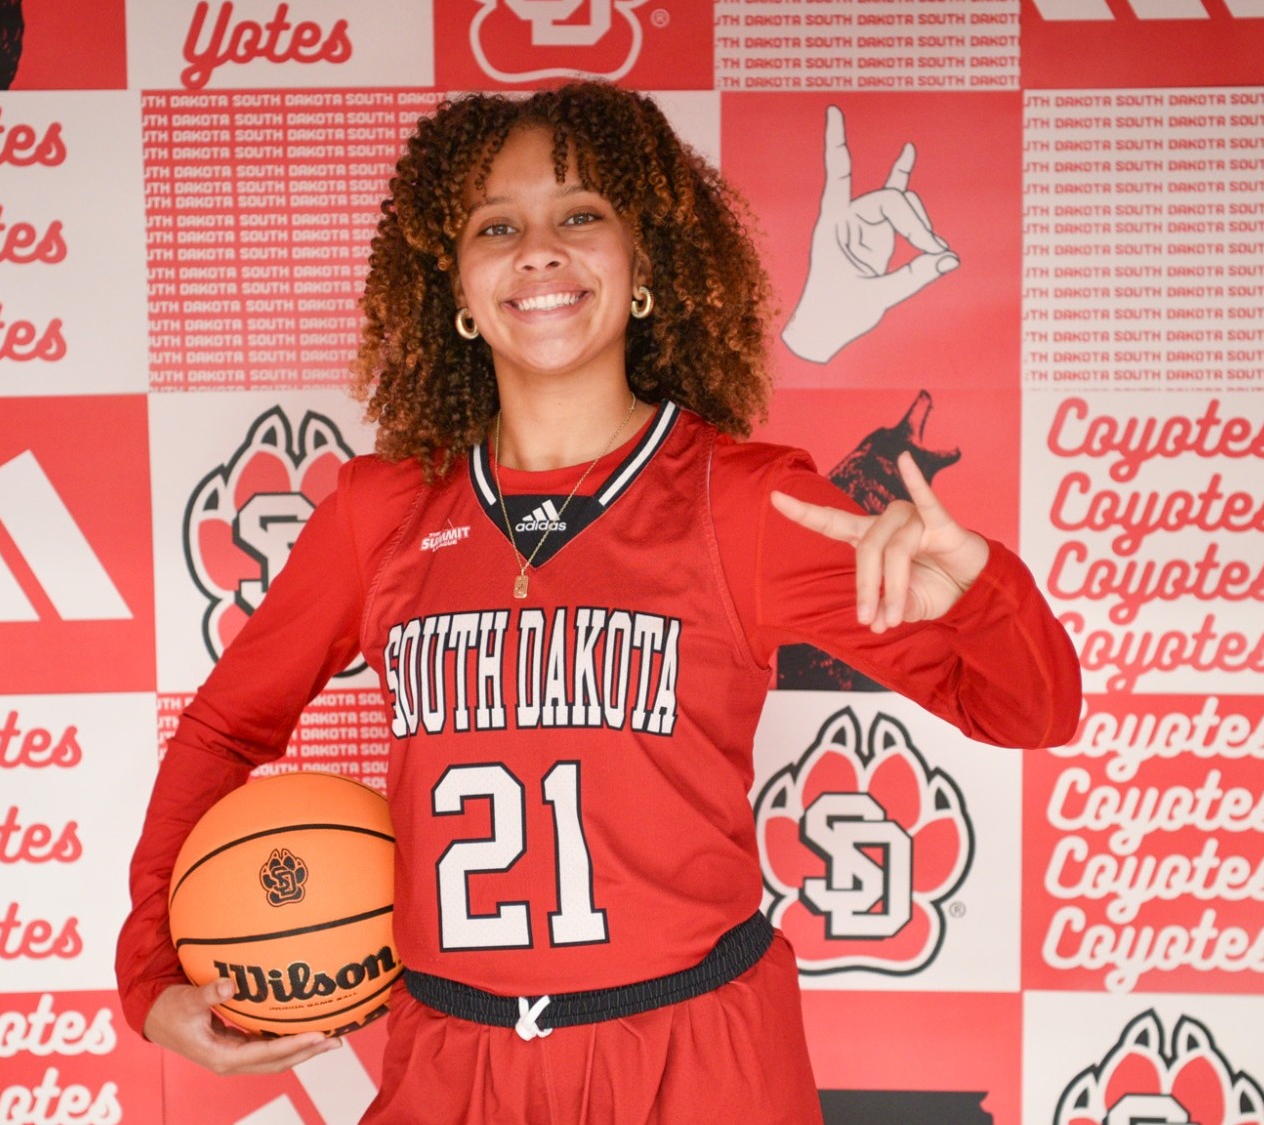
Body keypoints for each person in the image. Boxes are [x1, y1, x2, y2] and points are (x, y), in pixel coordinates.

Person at [118, 81, 1081, 1124]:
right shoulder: (378, 511)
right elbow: (223, 728)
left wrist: (982, 593)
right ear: (453, 284)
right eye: (497, 225)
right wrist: (150, 971)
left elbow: (1028, 711)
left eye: (579, 214)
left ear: (642, 268)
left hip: (698, 1054)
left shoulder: (748, 503)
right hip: (456, 1058)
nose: (538, 250)